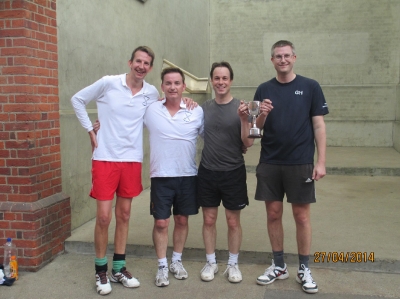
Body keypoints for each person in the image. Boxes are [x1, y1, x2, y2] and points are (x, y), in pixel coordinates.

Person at [71, 46, 159, 295]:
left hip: (132, 160)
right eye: (138, 61)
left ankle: (118, 268)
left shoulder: (151, 93)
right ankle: (101, 271)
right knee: (103, 217)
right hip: (105, 158)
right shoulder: (109, 83)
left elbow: (156, 115)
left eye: (147, 63)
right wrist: (90, 128)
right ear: (130, 62)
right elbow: (77, 99)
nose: (142, 66)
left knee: (124, 215)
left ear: (150, 68)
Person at [253, 40, 328, 294]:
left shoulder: (310, 87)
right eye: (278, 56)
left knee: (301, 216)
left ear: (294, 57)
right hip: (270, 163)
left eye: (286, 55)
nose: (282, 60)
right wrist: (262, 113)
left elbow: (318, 126)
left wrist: (321, 162)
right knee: (273, 214)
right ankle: (278, 265)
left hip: (300, 163)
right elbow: (256, 129)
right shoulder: (263, 89)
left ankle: (304, 268)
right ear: (272, 60)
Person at [143, 67, 203, 287]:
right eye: (168, 83)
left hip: (187, 175)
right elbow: (126, 122)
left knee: (181, 219)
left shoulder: (196, 111)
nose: (173, 87)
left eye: (177, 83)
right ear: (162, 86)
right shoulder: (150, 109)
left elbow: (211, 135)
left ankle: (176, 261)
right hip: (161, 176)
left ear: (184, 86)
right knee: (161, 222)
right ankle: (161, 266)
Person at [197, 62, 254, 283]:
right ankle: (211, 262)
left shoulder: (244, 107)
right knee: (209, 219)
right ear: (212, 81)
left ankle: (233, 264)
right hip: (208, 172)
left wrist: (242, 119)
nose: (221, 82)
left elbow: (248, 142)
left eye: (225, 78)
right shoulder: (203, 108)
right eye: (217, 78)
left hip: (233, 173)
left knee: (232, 221)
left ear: (231, 80)